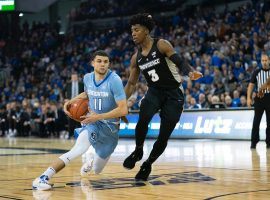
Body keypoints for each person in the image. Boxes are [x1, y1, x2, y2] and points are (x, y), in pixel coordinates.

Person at [123, 13, 203, 181]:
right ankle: (138, 150)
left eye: (136, 30)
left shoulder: (161, 44)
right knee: (143, 117)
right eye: (132, 31)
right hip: (154, 92)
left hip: (174, 94)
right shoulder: (135, 58)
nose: (133, 34)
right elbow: (131, 84)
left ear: (146, 31)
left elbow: (178, 60)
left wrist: (190, 72)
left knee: (164, 135)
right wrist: (121, 104)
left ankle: (148, 163)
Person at [32, 50, 128, 190]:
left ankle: (90, 162)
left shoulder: (115, 80)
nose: (102, 64)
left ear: (109, 64)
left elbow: (123, 109)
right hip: (92, 123)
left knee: (97, 170)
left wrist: (98, 116)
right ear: (92, 63)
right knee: (77, 150)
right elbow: (87, 93)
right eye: (99, 61)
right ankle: (43, 178)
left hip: (110, 130)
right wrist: (70, 101)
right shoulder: (87, 78)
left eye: (105, 62)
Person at [247, 54, 270, 149]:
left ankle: (269, 142)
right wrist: (248, 98)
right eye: (263, 60)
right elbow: (251, 85)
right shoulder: (256, 72)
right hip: (259, 98)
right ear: (261, 61)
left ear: (269, 61)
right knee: (256, 121)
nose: (264, 62)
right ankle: (254, 142)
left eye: (266, 60)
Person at [63, 73, 84, 138]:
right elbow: (63, 91)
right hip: (70, 103)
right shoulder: (68, 84)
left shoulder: (81, 84)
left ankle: (80, 135)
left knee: (79, 119)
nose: (74, 78)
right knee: (70, 119)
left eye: (75, 77)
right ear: (71, 78)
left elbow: (84, 93)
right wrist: (65, 98)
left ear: (77, 77)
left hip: (79, 104)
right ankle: (70, 135)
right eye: (73, 77)